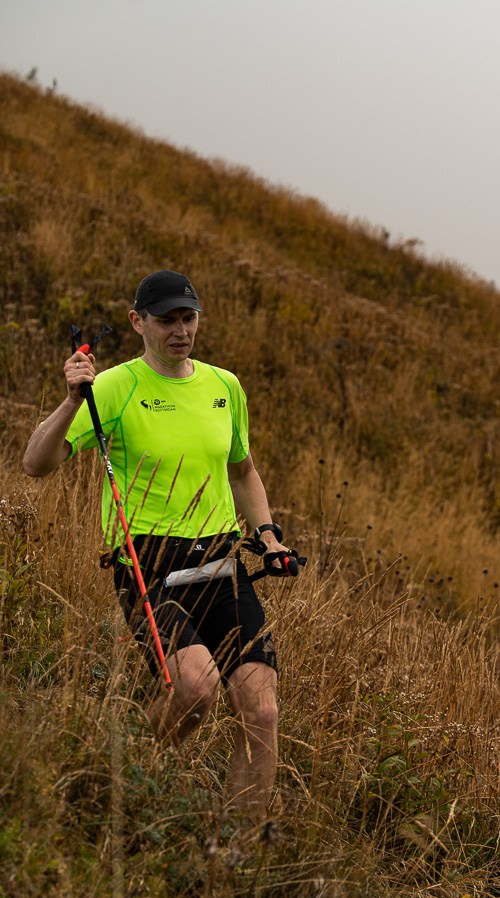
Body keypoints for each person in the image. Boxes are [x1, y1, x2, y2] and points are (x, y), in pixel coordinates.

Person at [23, 269, 296, 822]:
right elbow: (36, 463)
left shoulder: (224, 386)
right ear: (137, 322)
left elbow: (242, 471)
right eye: (166, 320)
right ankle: (118, 789)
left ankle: (237, 851)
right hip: (148, 564)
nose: (180, 330)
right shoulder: (114, 387)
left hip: (221, 561)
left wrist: (268, 536)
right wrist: (73, 400)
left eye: (188, 318)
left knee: (262, 711)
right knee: (194, 690)